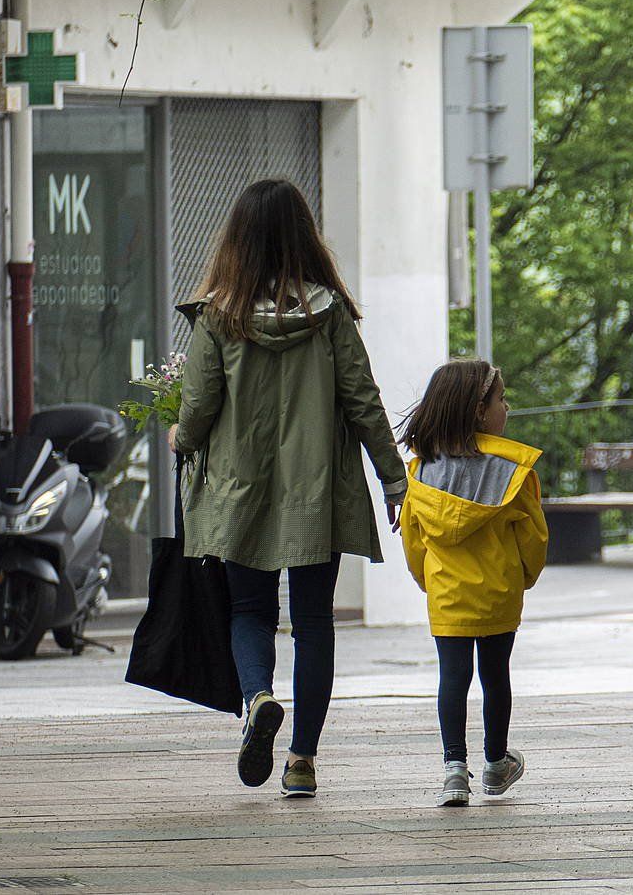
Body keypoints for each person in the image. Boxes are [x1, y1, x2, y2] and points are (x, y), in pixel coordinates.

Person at [169, 178, 407, 798]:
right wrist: (393, 478)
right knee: (313, 623)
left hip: (238, 491)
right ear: (305, 236)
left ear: (237, 239)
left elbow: (198, 408)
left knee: (249, 610)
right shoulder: (329, 316)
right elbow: (363, 400)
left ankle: (257, 700)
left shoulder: (217, 317)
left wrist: (178, 438)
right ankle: (302, 762)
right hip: (316, 493)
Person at [398, 360, 548, 807]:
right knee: (495, 676)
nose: (507, 406)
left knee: (453, 677)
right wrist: (523, 577)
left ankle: (454, 770)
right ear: (480, 410)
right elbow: (534, 538)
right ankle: (496, 763)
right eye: (501, 399)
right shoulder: (513, 471)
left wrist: (429, 580)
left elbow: (413, 540)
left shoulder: (422, 472)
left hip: (448, 594)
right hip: (499, 592)